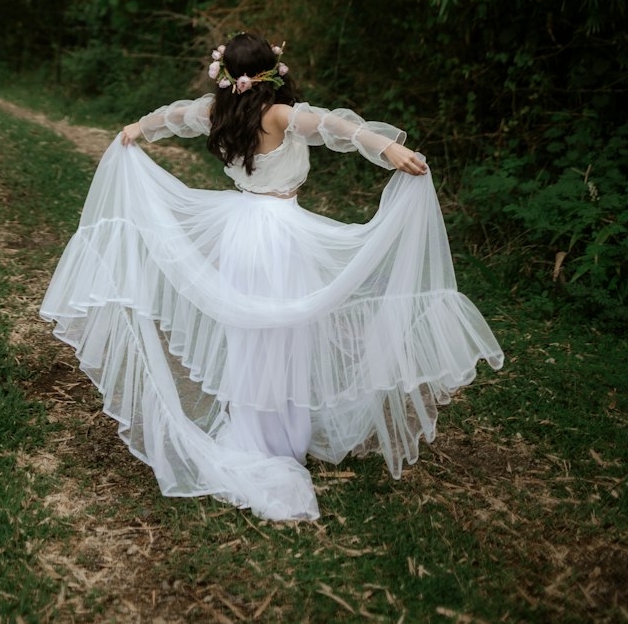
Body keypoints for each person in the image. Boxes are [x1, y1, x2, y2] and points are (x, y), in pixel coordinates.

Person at [40, 31, 504, 522]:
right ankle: (280, 439)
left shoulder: (217, 113)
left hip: (241, 234)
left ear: (224, 75)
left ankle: (256, 431)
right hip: (282, 237)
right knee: (286, 336)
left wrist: (135, 128)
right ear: (273, 70)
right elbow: (335, 127)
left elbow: (170, 119)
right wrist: (390, 150)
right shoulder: (280, 114)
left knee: (249, 337)